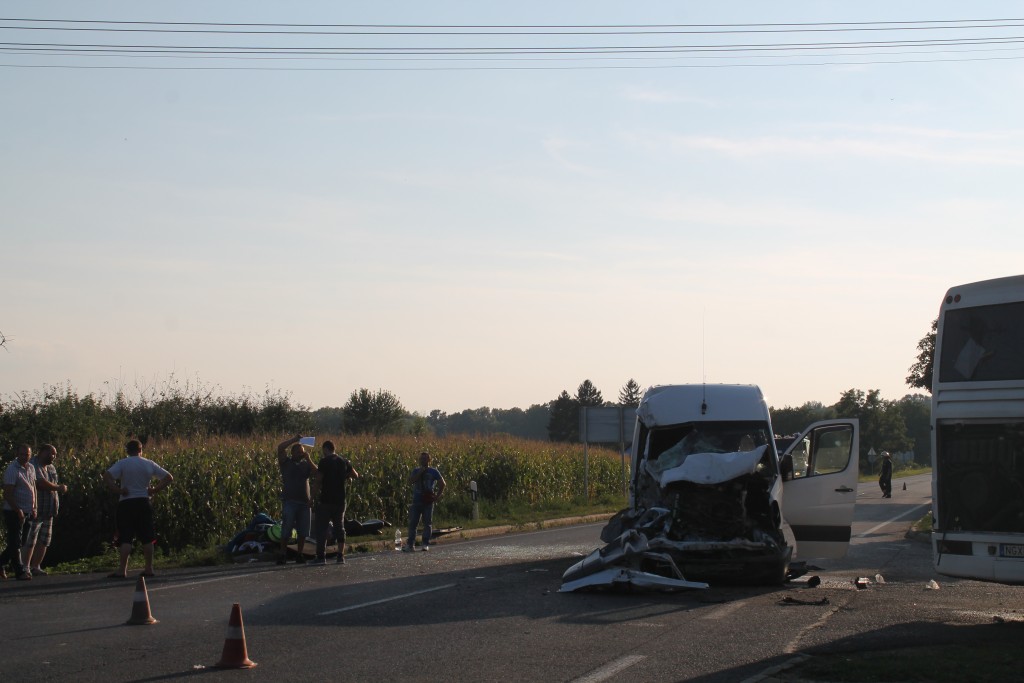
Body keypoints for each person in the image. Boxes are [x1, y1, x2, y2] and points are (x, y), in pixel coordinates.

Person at [102, 439, 174, 579]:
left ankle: (122, 570)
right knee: (147, 537)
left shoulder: (123, 463)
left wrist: (118, 490)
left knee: (126, 537)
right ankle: (149, 568)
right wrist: (154, 490)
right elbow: (168, 477)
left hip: (127, 502)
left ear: (127, 451)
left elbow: (107, 476)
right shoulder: (148, 463)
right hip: (143, 501)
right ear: (141, 450)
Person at [23, 444, 68, 576]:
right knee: (30, 539)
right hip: (36, 508)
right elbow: (39, 483)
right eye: (50, 453)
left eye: (54, 454)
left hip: (49, 510)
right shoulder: (32, 465)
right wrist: (58, 487)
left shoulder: (51, 468)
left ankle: (36, 566)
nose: (52, 456)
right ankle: (25, 566)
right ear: (41, 452)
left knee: (44, 539)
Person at [312, 440, 359, 565]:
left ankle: (321, 557)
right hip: (340, 500)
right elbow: (355, 475)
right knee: (339, 527)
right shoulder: (344, 461)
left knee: (322, 528)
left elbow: (318, 480)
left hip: (326, 500)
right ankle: (340, 555)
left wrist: (311, 497)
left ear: (326, 449)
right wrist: (345, 476)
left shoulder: (324, 462)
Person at [275, 435, 317, 565]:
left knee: (303, 531)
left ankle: (300, 554)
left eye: (302, 452)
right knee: (286, 529)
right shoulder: (286, 462)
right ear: (292, 453)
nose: (300, 454)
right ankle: (283, 554)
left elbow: (317, 472)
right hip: (290, 501)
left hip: (305, 502)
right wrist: (294, 440)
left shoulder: (306, 465)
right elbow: (280, 448)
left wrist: (308, 458)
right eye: (298, 452)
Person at [2, 444, 37, 581]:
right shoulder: (12, 470)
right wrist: (18, 510)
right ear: (17, 453)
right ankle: (19, 570)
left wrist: (35, 507)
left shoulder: (31, 468)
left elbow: (33, 488)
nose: (25, 457)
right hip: (13, 510)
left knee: (20, 542)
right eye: (22, 454)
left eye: (27, 454)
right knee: (15, 541)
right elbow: (8, 493)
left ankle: (1, 562)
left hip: (28, 510)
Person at [403, 451, 446, 552]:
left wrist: (437, 496)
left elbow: (442, 484)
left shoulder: (434, 471)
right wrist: (420, 472)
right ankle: (410, 544)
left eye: (425, 459)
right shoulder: (416, 471)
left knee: (427, 523)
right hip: (416, 500)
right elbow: (410, 481)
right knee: (413, 523)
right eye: (421, 459)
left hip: (427, 501)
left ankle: (425, 543)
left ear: (429, 460)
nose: (422, 460)